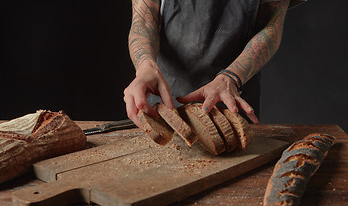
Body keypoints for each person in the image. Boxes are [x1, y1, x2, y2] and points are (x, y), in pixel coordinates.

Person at [124, 0, 305, 128]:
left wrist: (231, 77)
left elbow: (270, 27)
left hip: (232, 100)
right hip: (164, 100)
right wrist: (145, 66)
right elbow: (144, 20)